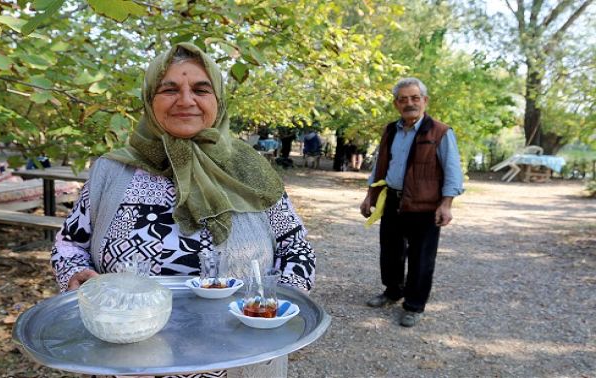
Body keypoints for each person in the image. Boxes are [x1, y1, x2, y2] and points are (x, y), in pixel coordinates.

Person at [50, 43, 316, 377]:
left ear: (217, 100)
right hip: (128, 357)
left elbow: (297, 249)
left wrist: (275, 307)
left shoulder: (252, 172)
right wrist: (75, 275)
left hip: (239, 358)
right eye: (170, 89)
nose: (186, 100)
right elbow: (71, 245)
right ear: (150, 99)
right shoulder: (111, 171)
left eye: (201, 89)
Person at [359, 77, 464, 327]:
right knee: (391, 252)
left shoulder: (440, 131)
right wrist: (369, 195)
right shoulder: (391, 130)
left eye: (415, 98)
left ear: (424, 101)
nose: (410, 103)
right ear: (396, 104)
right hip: (393, 200)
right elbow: (381, 165)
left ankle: (414, 305)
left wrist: (446, 204)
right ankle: (393, 291)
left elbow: (452, 170)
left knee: (421, 258)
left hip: (425, 205)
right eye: (403, 99)